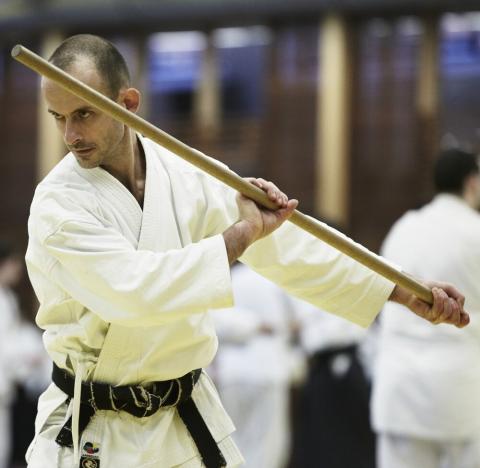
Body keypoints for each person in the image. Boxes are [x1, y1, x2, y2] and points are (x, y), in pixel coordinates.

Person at [24, 34, 468, 468]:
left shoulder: (181, 172)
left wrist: (397, 288)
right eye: (57, 117)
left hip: (183, 423)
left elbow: (288, 245)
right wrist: (239, 236)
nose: (71, 134)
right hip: (96, 429)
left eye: (83, 113)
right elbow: (134, 292)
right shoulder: (57, 204)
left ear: (128, 103)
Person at [371, 148, 480, 468]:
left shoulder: (403, 227)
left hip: (400, 383)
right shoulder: (476, 230)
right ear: (472, 183)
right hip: (460, 385)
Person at [210, 262, 302, 468]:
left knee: (233, 444)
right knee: (267, 448)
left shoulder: (227, 279)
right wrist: (264, 326)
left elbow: (212, 323)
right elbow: (297, 321)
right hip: (267, 372)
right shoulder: (275, 279)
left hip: (231, 374)